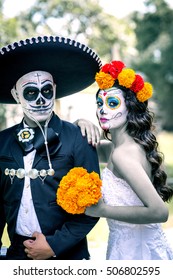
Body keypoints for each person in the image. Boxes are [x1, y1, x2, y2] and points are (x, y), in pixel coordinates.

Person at [0, 35, 102, 260]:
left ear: (54, 89)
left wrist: (54, 245)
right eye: (30, 92)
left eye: (46, 90)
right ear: (16, 95)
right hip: (17, 254)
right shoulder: (3, 141)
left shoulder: (78, 137)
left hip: (67, 254)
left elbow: (93, 206)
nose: (40, 100)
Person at [79, 60, 173, 260]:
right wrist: (79, 122)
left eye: (112, 103)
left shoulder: (123, 155)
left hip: (137, 253)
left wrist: (104, 210)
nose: (103, 109)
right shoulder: (116, 148)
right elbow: (80, 146)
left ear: (130, 107)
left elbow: (159, 212)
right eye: (99, 103)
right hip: (129, 246)